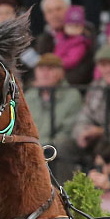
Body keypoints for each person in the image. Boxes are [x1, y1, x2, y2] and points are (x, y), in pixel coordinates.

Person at [24, 53, 82, 181]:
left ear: (61, 73)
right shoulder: (29, 95)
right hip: (33, 145)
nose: (44, 73)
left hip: (54, 146)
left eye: (50, 69)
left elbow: (68, 131)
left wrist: (42, 145)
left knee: (60, 147)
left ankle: (60, 192)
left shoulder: (72, 96)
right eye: (41, 69)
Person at [32, 0, 93, 85]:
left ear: (70, 10)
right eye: (49, 11)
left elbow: (85, 69)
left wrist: (56, 82)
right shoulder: (43, 38)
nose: (54, 15)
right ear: (45, 16)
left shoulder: (86, 34)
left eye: (58, 9)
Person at [53, 5, 91, 73]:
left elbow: (72, 60)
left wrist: (56, 63)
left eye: (77, 26)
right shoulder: (60, 37)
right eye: (70, 25)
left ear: (82, 28)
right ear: (65, 26)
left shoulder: (80, 43)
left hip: (63, 69)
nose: (73, 29)